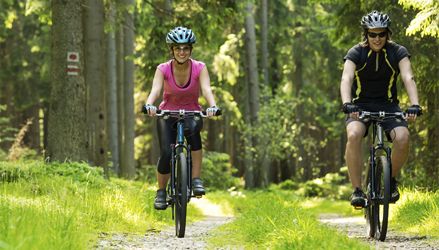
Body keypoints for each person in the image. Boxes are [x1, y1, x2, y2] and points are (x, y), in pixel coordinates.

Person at [340, 10, 422, 208]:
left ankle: (390, 180)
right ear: (366, 34)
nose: (377, 39)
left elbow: (408, 77)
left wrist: (414, 104)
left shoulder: (398, 52)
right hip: (359, 105)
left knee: (402, 138)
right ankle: (358, 190)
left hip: (388, 105)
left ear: (388, 33)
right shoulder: (356, 53)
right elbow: (346, 78)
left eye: (381, 34)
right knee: (353, 135)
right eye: (372, 34)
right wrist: (347, 103)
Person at [143, 26, 219, 210]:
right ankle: (161, 191)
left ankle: (196, 179)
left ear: (190, 49)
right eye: (178, 48)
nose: (182, 52)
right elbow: (155, 90)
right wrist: (149, 105)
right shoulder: (163, 69)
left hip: (192, 112)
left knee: (193, 133)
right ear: (172, 50)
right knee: (167, 153)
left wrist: (213, 106)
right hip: (167, 114)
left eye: (185, 48)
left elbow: (207, 89)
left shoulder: (200, 68)